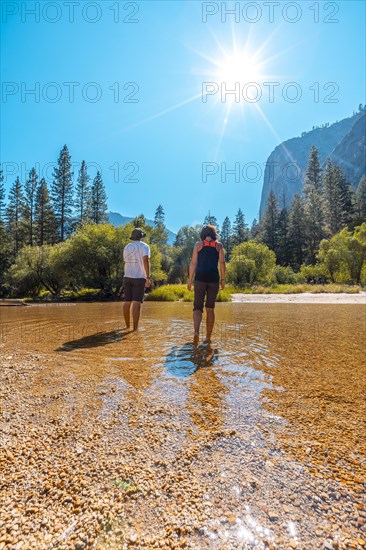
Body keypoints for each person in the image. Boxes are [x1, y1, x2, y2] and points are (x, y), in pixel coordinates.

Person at [187, 224, 225, 341]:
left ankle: (197, 332)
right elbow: (222, 264)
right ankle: (208, 337)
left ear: (202, 235)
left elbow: (193, 263)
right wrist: (223, 279)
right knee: (210, 308)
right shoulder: (219, 246)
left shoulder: (198, 245)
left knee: (197, 307)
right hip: (213, 280)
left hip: (200, 279)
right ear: (214, 235)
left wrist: (189, 279)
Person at [123, 228, 151, 331]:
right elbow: (145, 260)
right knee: (136, 303)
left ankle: (127, 326)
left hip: (127, 276)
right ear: (141, 237)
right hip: (139, 277)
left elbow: (125, 261)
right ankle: (135, 329)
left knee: (127, 302)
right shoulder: (145, 246)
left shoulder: (126, 247)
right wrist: (148, 277)